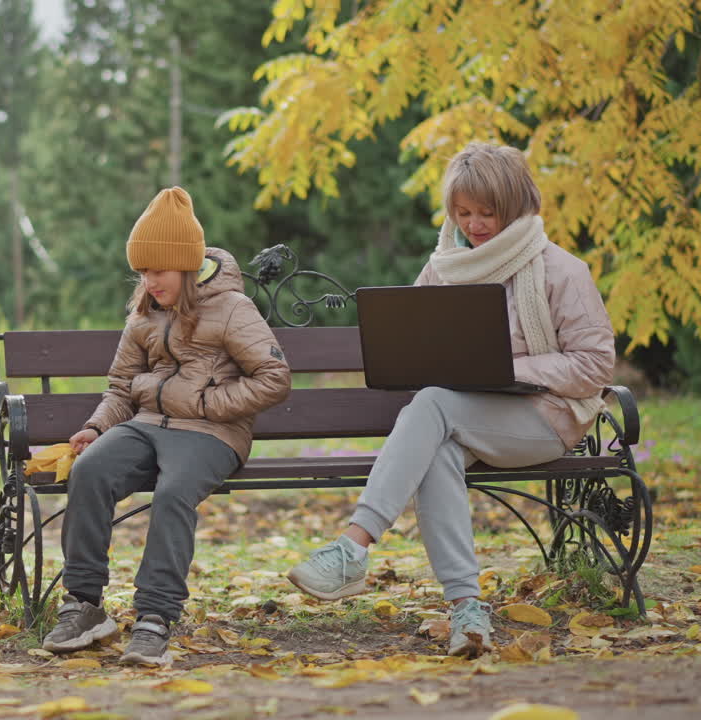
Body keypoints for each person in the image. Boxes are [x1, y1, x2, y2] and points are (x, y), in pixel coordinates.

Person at [287, 142, 615, 658]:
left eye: (488, 212)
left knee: (435, 405)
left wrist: (505, 369)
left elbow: (595, 367)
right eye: (464, 213)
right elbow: (418, 342)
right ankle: (467, 610)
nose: (476, 224)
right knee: (435, 442)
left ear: (517, 205)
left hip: (543, 418)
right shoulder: (444, 266)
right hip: (459, 417)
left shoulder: (560, 270)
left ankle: (353, 547)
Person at [42, 186, 291, 667]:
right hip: (147, 423)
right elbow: (120, 386)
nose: (149, 281)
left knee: (174, 492)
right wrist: (96, 428)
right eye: (142, 272)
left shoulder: (233, 308)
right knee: (90, 470)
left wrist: (207, 401)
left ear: (187, 266)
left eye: (158, 271)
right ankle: (84, 605)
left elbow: (274, 378)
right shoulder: (144, 313)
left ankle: (155, 617)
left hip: (212, 434)